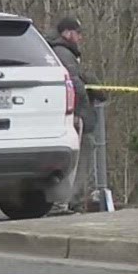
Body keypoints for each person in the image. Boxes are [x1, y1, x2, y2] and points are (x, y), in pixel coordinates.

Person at [47, 16, 104, 211]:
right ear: (68, 33)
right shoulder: (63, 53)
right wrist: (83, 110)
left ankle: (68, 201)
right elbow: (75, 84)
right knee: (79, 160)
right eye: (78, 33)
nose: (80, 38)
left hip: (70, 115)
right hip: (76, 117)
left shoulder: (62, 52)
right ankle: (71, 202)